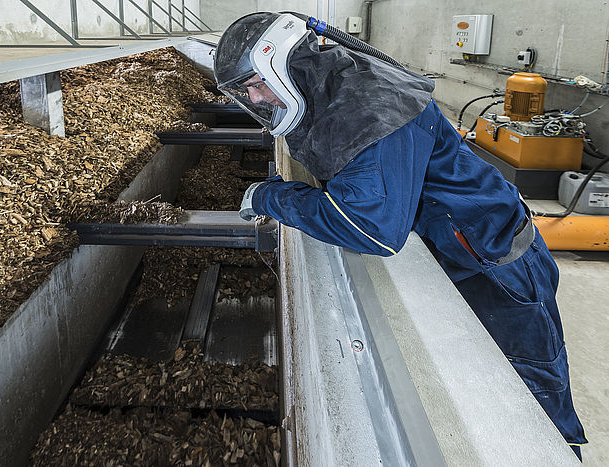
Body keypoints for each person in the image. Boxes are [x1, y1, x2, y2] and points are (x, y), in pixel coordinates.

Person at [214, 11, 587, 459]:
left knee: (535, 400)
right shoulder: (333, 86)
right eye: (245, 92)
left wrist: (271, 198)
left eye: (256, 83)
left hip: (501, 268)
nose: (255, 96)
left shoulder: (370, 108)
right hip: (461, 248)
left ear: (285, 62)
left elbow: (372, 229)